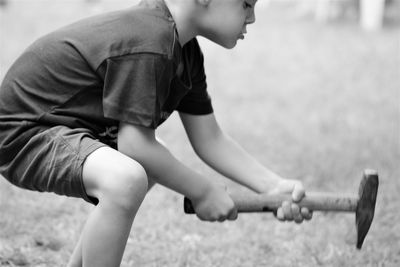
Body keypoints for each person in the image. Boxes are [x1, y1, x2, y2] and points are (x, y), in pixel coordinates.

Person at [0, 0, 312, 266]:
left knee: (143, 166)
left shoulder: (184, 51)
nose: (252, 17)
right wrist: (202, 191)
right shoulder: (151, 40)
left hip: (63, 129)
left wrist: (273, 187)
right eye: (246, 3)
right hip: (25, 131)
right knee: (127, 177)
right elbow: (135, 145)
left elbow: (210, 139)